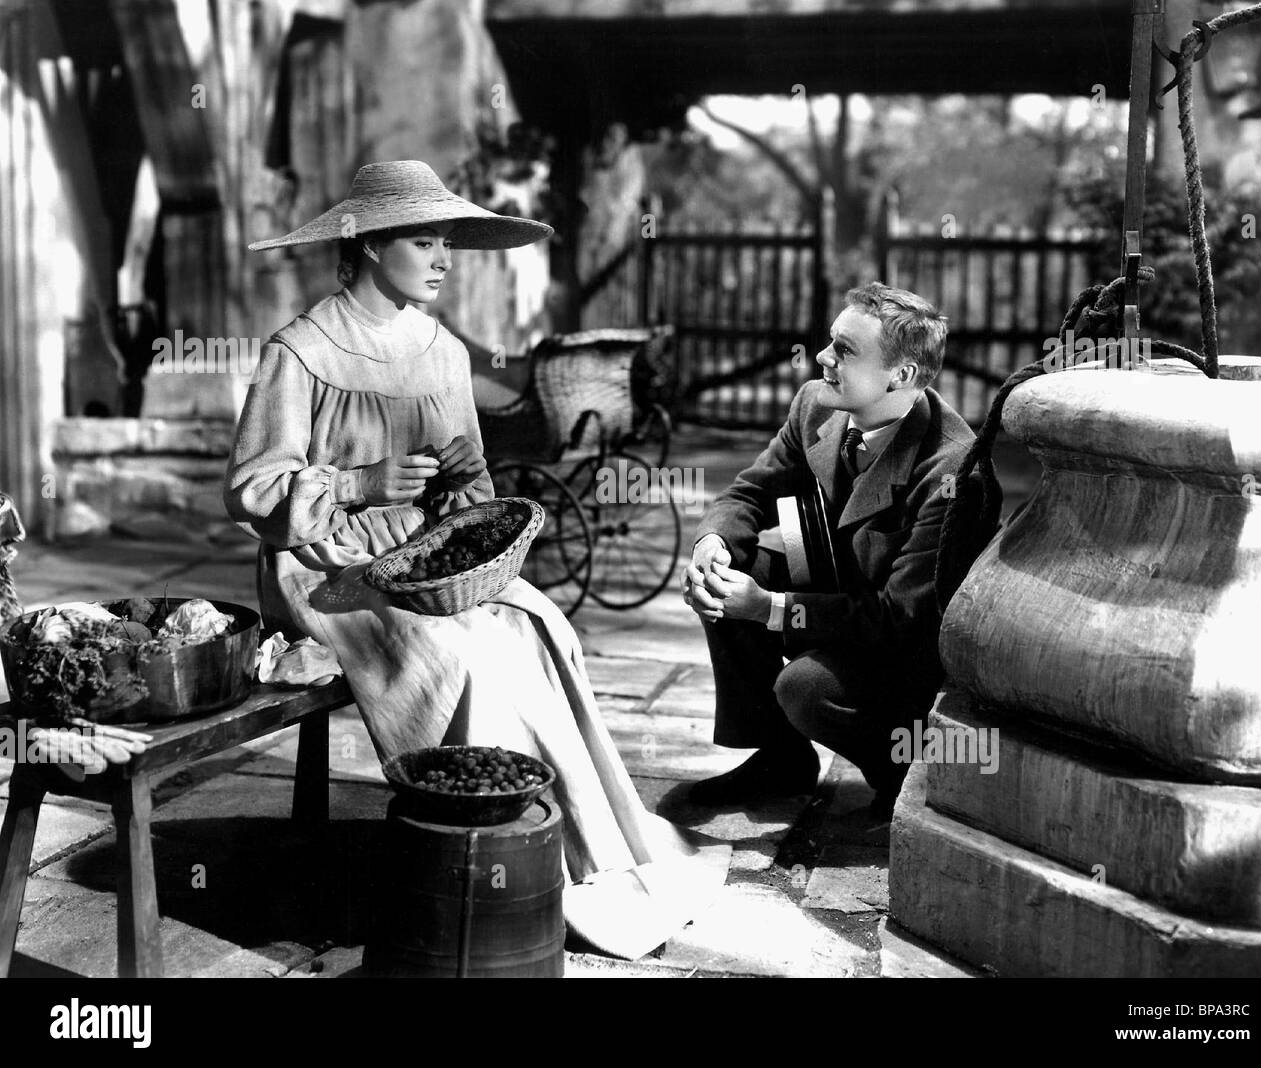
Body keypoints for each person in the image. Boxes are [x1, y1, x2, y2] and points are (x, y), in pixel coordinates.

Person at [226, 160, 729, 960]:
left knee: (537, 627)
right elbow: (252, 492)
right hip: (324, 567)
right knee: (466, 659)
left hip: (426, 557)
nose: (443, 259)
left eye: (446, 242)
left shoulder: (444, 351)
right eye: (425, 241)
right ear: (367, 244)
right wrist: (360, 483)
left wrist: (462, 485)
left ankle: (581, 852)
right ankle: (493, 860)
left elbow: (478, 493)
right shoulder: (301, 350)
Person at [683, 282, 990, 816]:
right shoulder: (817, 406)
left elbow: (900, 621)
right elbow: (751, 490)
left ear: (903, 375)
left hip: (906, 659)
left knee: (805, 688)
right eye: (831, 341)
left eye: (845, 351)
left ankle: (902, 779)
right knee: (727, 570)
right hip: (843, 606)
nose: (823, 358)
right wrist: (712, 543)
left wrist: (769, 608)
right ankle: (781, 761)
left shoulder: (953, 472)